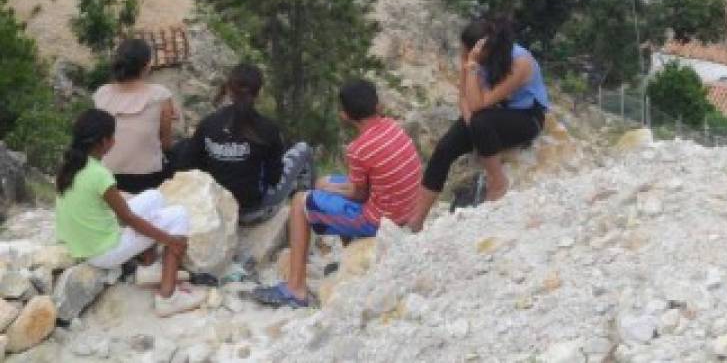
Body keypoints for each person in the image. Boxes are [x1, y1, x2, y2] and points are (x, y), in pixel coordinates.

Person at [253, 78, 421, 308]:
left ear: (345, 115)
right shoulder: (392, 126)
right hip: (405, 208)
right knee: (324, 181)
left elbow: (358, 196)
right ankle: (350, 259)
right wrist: (328, 187)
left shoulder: (358, 149)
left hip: (380, 219)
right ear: (378, 106)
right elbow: (363, 185)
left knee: (300, 201)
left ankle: (295, 289)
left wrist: (330, 190)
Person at [55, 108, 205, 317]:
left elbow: (117, 211)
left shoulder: (72, 167)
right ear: (104, 141)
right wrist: (170, 240)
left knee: (154, 196)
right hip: (103, 252)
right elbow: (128, 218)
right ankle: (168, 297)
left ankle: (149, 267)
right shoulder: (100, 175)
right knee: (179, 214)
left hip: (84, 243)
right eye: (112, 136)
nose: (114, 141)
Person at [409, 16, 549, 232]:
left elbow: (479, 103)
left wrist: (472, 67)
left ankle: (497, 180)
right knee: (445, 148)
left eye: (469, 52)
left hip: (526, 116)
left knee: (481, 121)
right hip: (490, 114)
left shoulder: (520, 62)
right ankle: (418, 219)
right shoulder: (473, 55)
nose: (464, 56)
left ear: (485, 50)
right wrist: (468, 122)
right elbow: (464, 97)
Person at [179, 63, 314, 225]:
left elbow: (190, 164)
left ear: (228, 90)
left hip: (218, 208)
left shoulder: (208, 124)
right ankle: (305, 212)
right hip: (255, 210)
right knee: (303, 149)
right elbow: (273, 179)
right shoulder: (268, 129)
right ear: (259, 93)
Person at [93, 38, 176, 194]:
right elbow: (166, 144)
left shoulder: (101, 94)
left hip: (107, 177)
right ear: (146, 66)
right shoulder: (160, 95)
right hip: (147, 179)